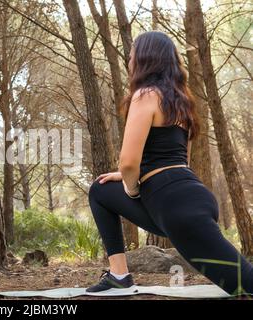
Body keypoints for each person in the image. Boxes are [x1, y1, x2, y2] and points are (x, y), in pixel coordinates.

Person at [86, 31, 253, 295]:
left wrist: (131, 188)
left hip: (176, 208)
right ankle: (119, 275)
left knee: (246, 286)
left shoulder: (145, 95)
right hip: (185, 198)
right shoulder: (182, 103)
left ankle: (120, 274)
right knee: (101, 189)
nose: (129, 61)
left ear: (144, 59)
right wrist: (124, 176)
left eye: (131, 56)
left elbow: (129, 161)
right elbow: (179, 162)